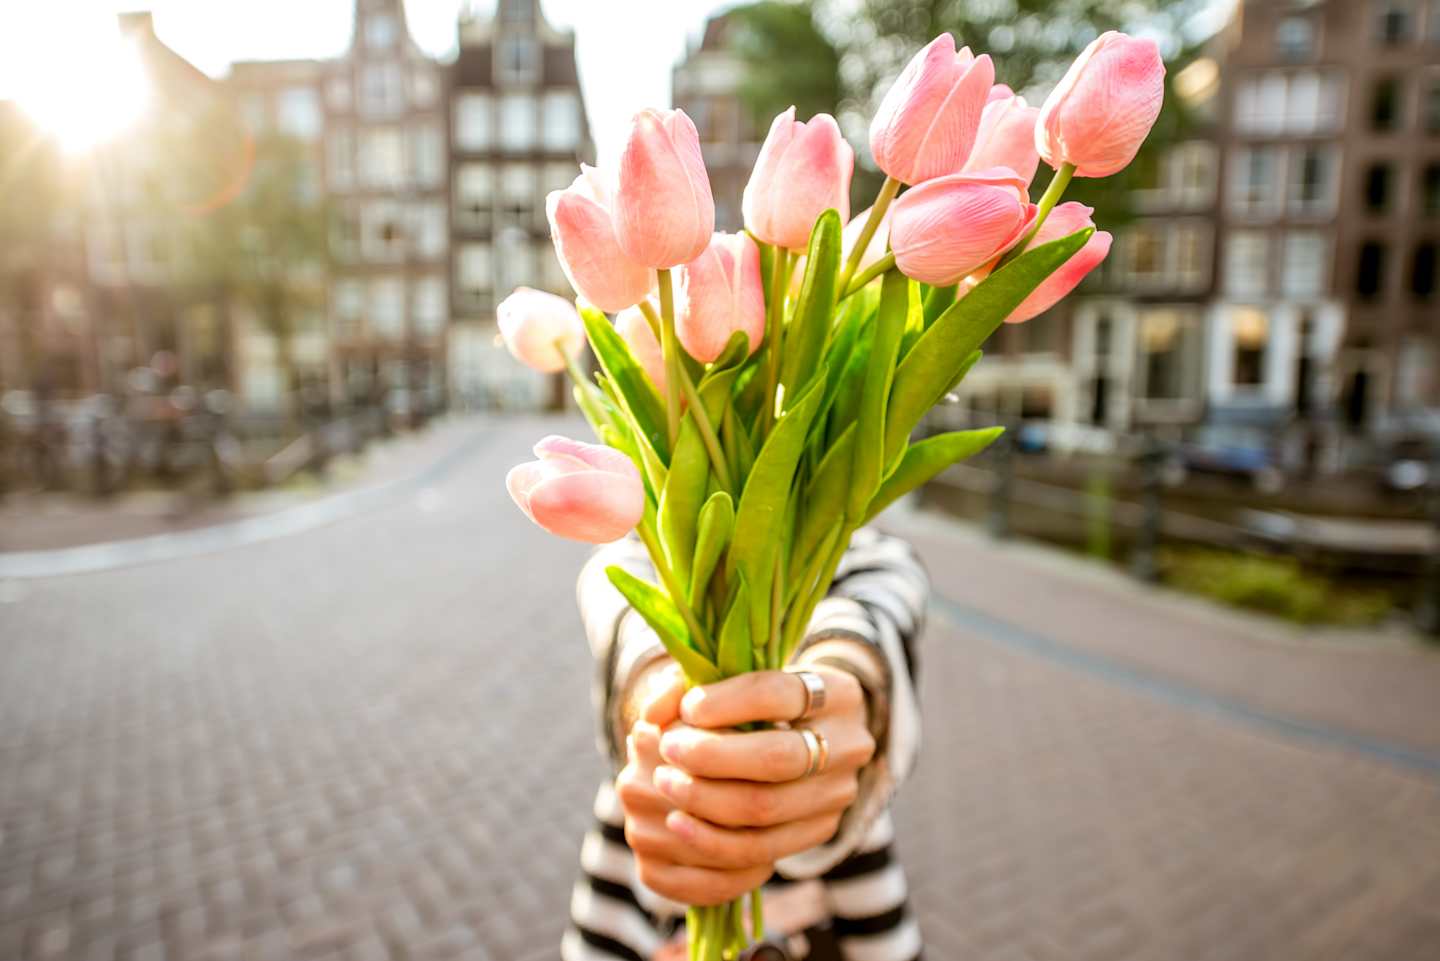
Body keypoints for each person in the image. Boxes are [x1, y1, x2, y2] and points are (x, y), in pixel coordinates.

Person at [564, 528, 929, 961]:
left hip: (832, 881)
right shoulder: (643, 536)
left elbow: (872, 608)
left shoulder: (870, 550)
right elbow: (622, 599)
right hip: (657, 837)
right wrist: (662, 695)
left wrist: (839, 677)